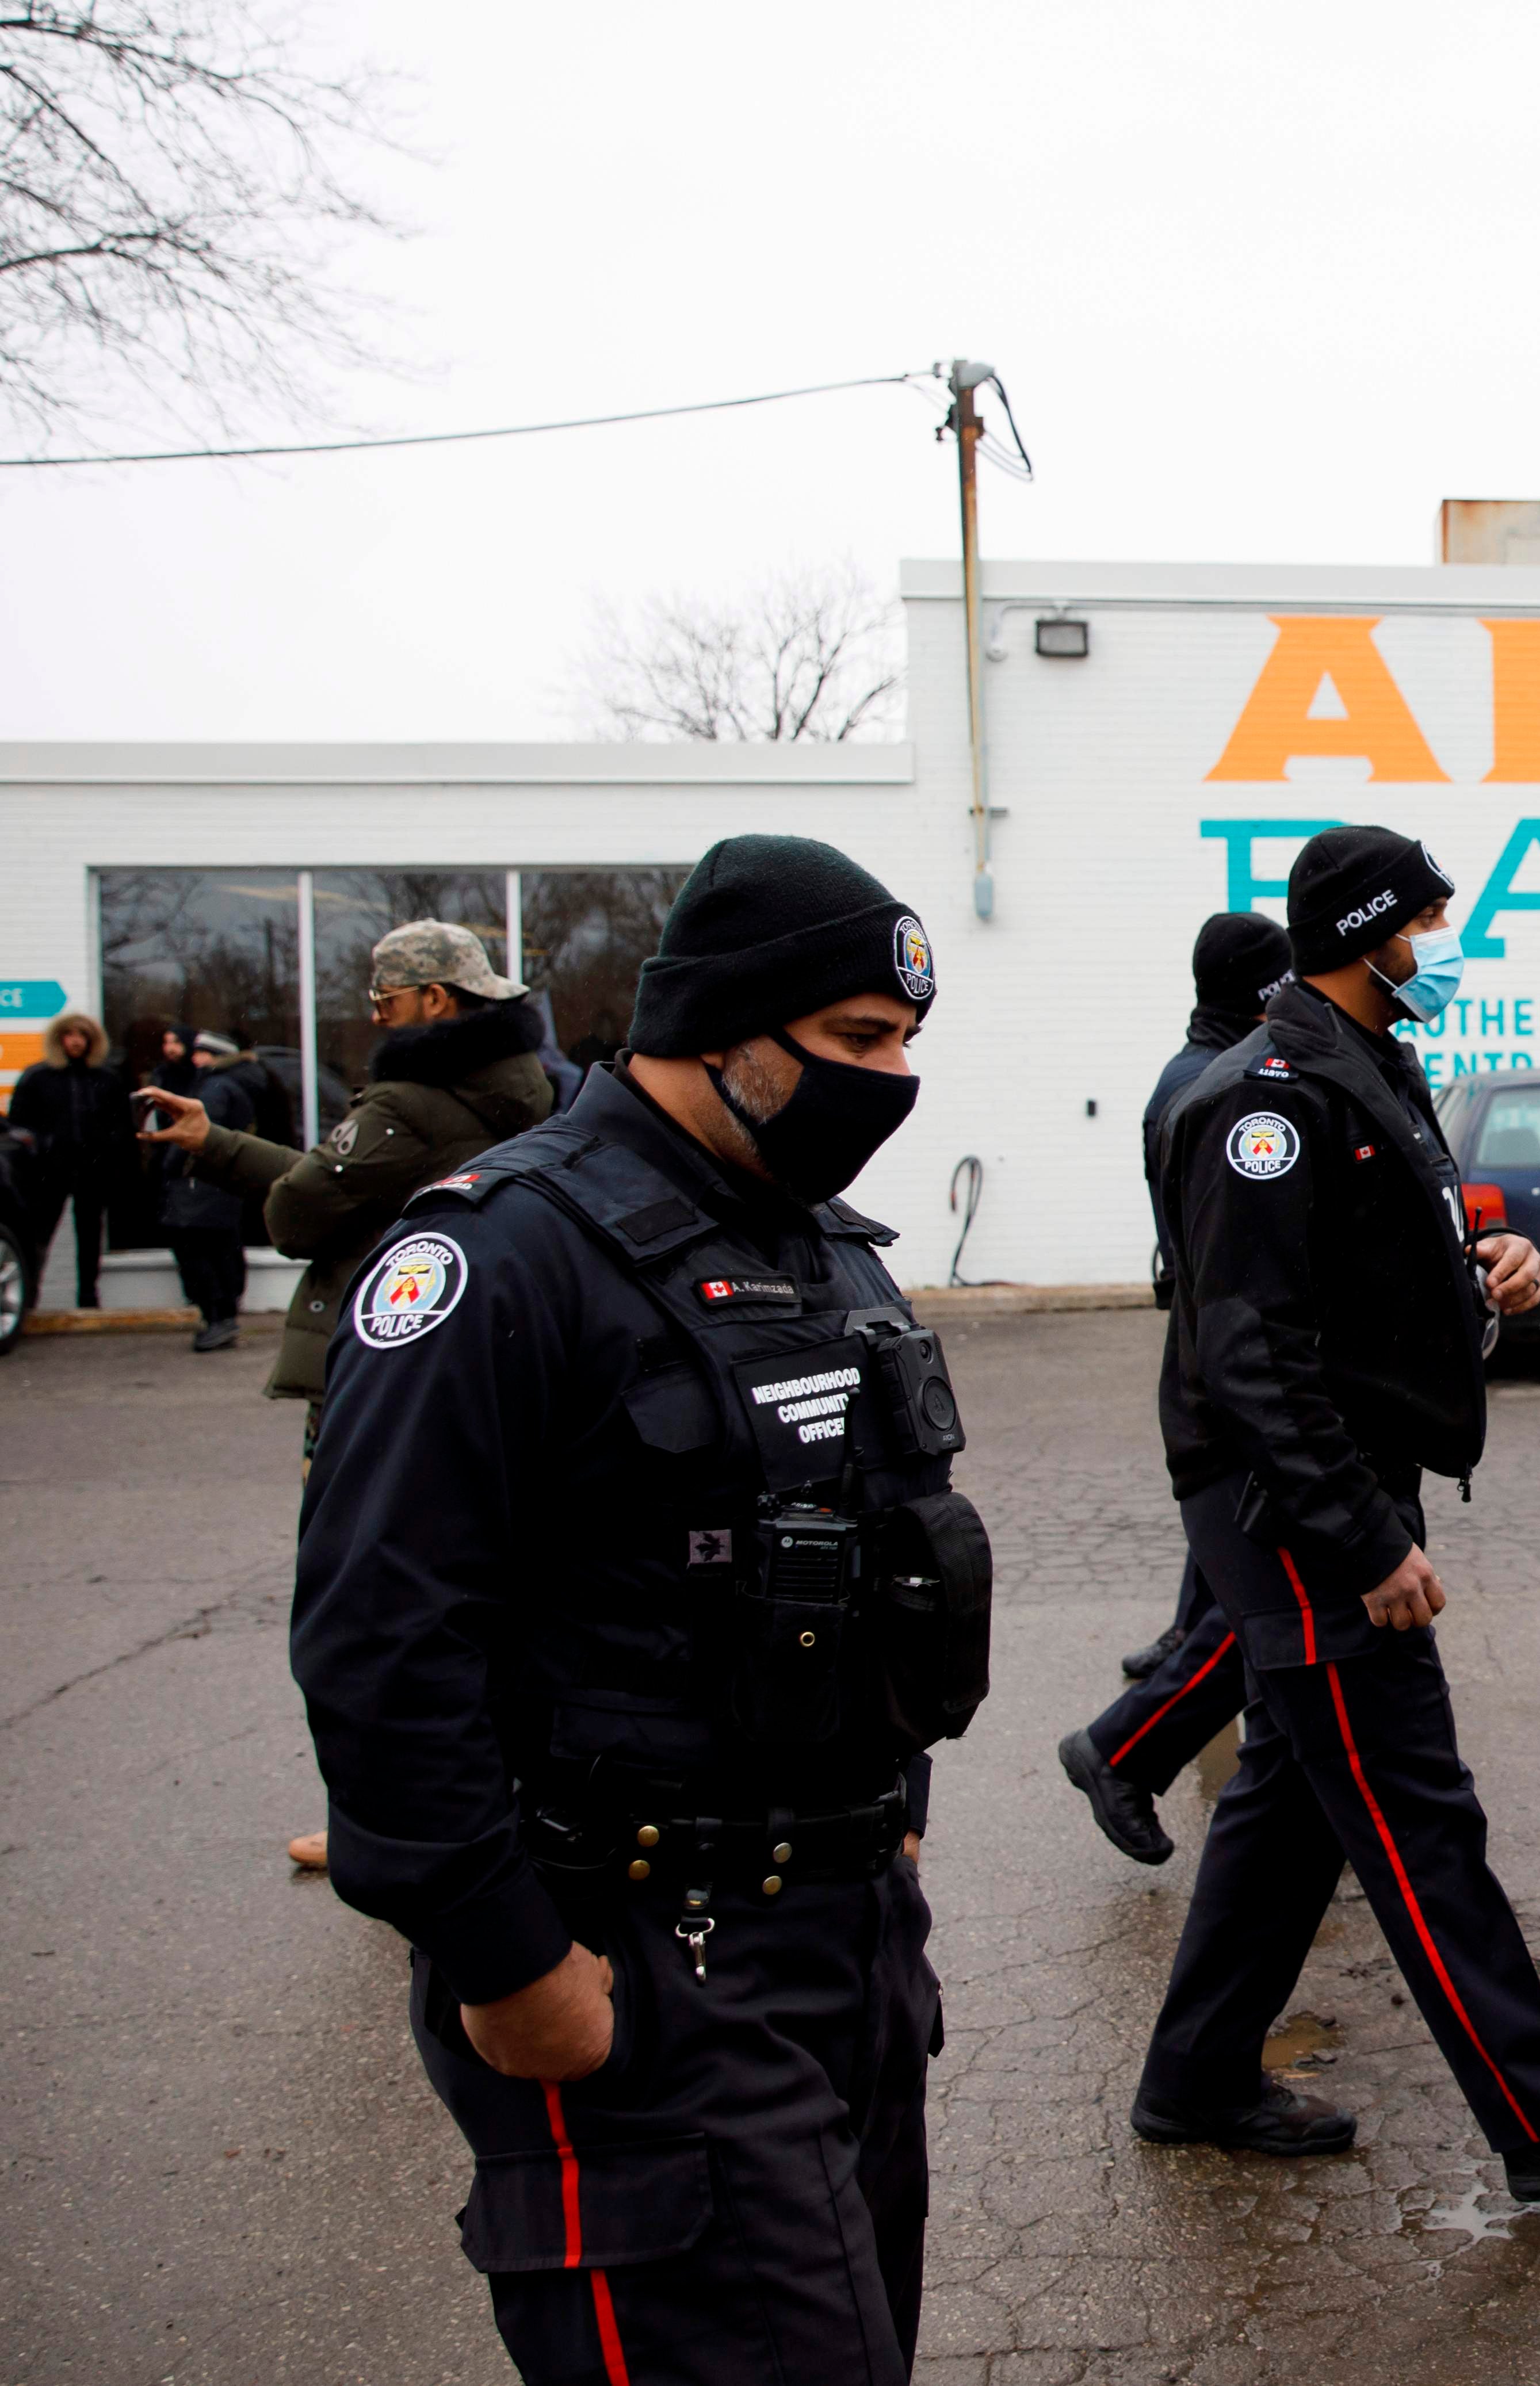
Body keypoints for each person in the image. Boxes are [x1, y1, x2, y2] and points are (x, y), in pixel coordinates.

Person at [290, 835, 990, 2384]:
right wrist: (508, 1964)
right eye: (858, 1042)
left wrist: (900, 1808)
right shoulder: (503, 1252)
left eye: (905, 1044)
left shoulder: (816, 1246)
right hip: (636, 1960)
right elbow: (381, 1640)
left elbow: (880, 1552)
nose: (890, 1082)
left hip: (848, 1941)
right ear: (724, 1027)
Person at [1130, 823, 1540, 2200]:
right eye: (1427, 925)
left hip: (1338, 1474)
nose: (1441, 948)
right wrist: (1362, 1538)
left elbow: (1358, 1269)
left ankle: (1195, 2074)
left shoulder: (1368, 1064)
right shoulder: (1263, 1097)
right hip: (1298, 1501)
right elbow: (1249, 1354)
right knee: (1409, 1801)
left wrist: (1482, 1266)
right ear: (1366, 933)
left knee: (1290, 1795)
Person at [137, 923, 561, 1872]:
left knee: (362, 1608)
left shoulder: (405, 1102)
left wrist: (234, 1156)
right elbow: (341, 1173)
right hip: (482, 1377)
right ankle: (504, 1801)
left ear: (436, 1001)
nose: (373, 1015)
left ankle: (384, 1823)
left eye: (385, 1000)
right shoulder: (530, 1089)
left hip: (375, 1381)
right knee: (482, 1598)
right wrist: (222, 1143)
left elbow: (298, 1210)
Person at [1057, 908, 1296, 1866]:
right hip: (1236, 1374)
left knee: (1247, 1589)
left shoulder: (1203, 1069)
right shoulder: (1215, 1086)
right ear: (1260, 988)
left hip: (1223, 1368)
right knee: (1277, 1601)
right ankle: (1123, 1745)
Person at [7, 1011, 127, 1311]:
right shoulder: (38, 1077)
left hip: (93, 1168)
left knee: (90, 1237)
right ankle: (27, 1299)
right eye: (70, 1034)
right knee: (38, 1235)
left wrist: (109, 1151)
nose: (76, 1041)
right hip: (48, 1171)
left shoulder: (107, 1078)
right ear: (60, 1038)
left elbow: (123, 1125)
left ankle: (89, 1298)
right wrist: (43, 1148)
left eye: (82, 1035)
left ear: (92, 1040)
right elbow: (18, 1126)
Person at [161, 1031, 265, 1350]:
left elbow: (199, 1132)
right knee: (222, 1246)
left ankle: (217, 1317)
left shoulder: (216, 1087)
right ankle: (225, 1315)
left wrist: (171, 1163)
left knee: (195, 1246)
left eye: (202, 1053)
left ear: (217, 1056)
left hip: (201, 1181)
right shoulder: (240, 1083)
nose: (195, 1059)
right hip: (223, 1180)